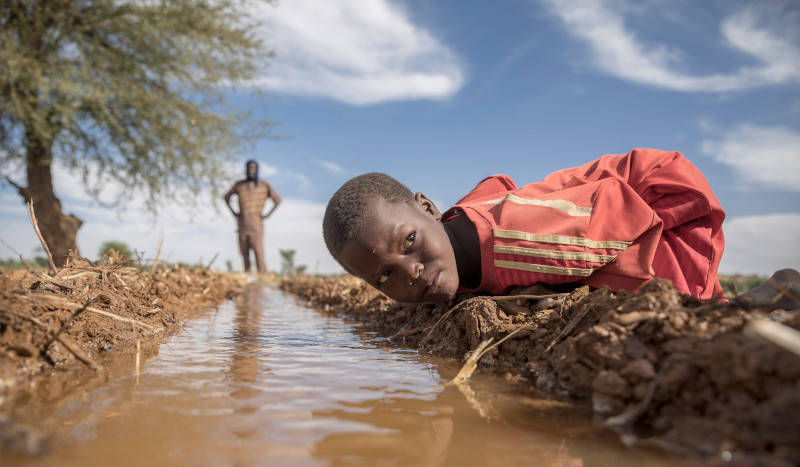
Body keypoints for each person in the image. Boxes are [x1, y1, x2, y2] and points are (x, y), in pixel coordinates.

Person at [322, 148, 799, 307]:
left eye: (409, 242)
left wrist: (554, 291)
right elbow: (494, 186)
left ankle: (759, 299)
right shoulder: (449, 240)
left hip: (665, 200)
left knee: (652, 307)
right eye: (384, 276)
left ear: (428, 207)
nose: (409, 272)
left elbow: (617, 206)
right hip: (617, 208)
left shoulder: (516, 240)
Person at [224, 159, 281, 274]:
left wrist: (267, 215)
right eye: (249, 168)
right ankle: (247, 276)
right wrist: (234, 213)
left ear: (257, 170)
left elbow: (277, 200)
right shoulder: (239, 185)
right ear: (245, 169)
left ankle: (262, 277)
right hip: (242, 223)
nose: (251, 170)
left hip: (256, 224)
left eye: (253, 168)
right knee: (244, 253)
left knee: (258, 252)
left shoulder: (264, 185)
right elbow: (226, 197)